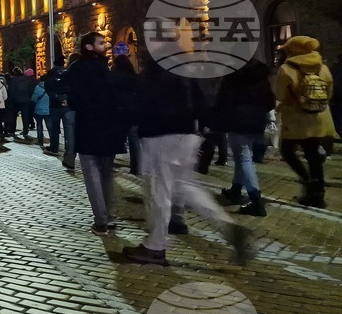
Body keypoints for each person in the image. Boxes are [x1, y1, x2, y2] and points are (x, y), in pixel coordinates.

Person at [123, 57, 250, 266]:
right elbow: (206, 100)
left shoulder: (156, 71)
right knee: (185, 188)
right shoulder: (188, 67)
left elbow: (143, 102)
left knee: (159, 191)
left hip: (161, 135)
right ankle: (228, 226)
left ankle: (155, 246)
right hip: (189, 135)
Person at [67, 32, 124, 235]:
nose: (106, 45)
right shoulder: (106, 70)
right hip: (109, 129)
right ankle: (108, 216)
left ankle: (101, 221)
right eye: (101, 43)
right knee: (107, 175)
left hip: (89, 128)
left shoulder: (77, 69)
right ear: (89, 47)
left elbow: (73, 100)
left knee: (93, 177)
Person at [274, 35, 337, 208]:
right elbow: (329, 92)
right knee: (313, 154)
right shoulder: (322, 67)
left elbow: (280, 95)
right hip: (319, 117)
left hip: (296, 119)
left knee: (287, 151)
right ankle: (318, 194)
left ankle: (307, 181)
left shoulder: (286, 69)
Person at [216, 59, 275, 216]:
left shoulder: (232, 74)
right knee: (243, 157)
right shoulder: (260, 75)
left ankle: (255, 200)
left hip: (237, 120)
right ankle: (235, 190)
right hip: (256, 121)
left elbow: (222, 99)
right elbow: (270, 101)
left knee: (244, 159)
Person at [111, 54, 141, 175]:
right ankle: (136, 167)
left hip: (117, 113)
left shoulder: (112, 77)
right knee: (134, 141)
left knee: (113, 139)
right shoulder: (136, 78)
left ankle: (109, 163)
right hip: (133, 113)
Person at [43, 58, 68, 156]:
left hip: (54, 104)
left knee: (55, 127)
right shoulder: (68, 73)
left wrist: (56, 97)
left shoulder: (50, 74)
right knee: (68, 128)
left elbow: (48, 89)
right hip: (67, 104)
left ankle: (54, 147)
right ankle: (69, 148)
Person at [6, 68, 33, 138]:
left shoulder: (13, 80)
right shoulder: (28, 80)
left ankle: (12, 131)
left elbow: (11, 91)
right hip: (25, 100)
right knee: (25, 117)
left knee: (13, 117)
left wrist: (10, 100)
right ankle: (25, 132)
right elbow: (30, 90)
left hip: (15, 101)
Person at [30, 75, 50, 148]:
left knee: (39, 125)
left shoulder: (37, 88)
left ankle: (40, 141)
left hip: (38, 110)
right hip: (48, 110)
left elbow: (34, 99)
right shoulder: (50, 87)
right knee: (49, 126)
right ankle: (53, 141)